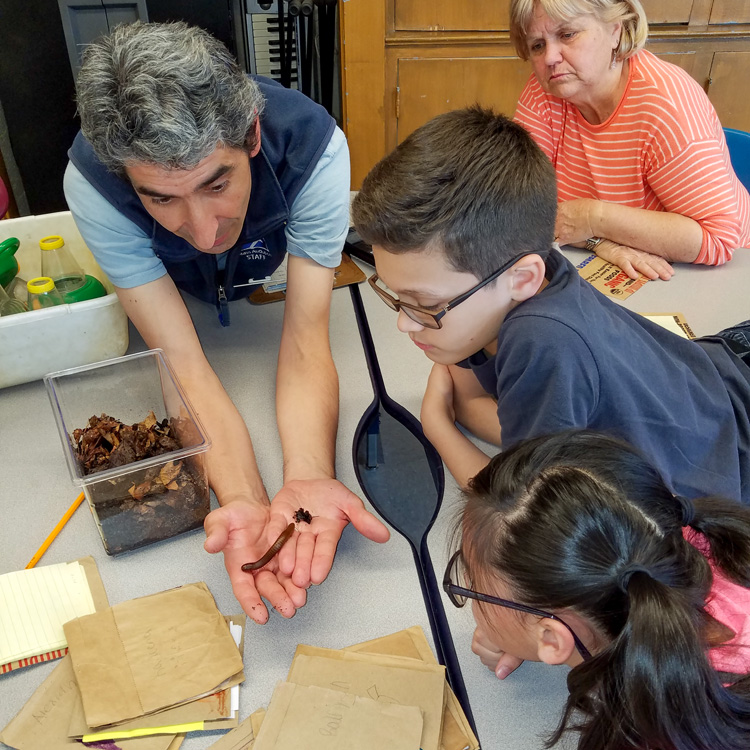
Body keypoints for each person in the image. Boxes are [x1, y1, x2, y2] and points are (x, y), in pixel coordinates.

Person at [64, 21, 389, 624]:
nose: (206, 229)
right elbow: (181, 362)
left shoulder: (316, 152)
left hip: (261, 291)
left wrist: (310, 476)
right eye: (161, 199)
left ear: (253, 137)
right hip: (177, 300)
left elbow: (304, 340)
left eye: (218, 183)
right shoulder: (93, 184)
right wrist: (240, 497)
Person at [351, 106, 750, 503]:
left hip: (729, 449)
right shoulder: (510, 283)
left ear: (522, 278)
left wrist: (437, 425)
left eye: (423, 303)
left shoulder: (541, 340)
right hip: (715, 378)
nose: (405, 323)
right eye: (398, 298)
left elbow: (523, 515)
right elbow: (490, 412)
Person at [445, 430, 750, 750]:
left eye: (474, 587)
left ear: (551, 638)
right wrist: (514, 623)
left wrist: (516, 626)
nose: (468, 586)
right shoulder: (671, 542)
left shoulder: (664, 732)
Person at [510, 0, 750, 281]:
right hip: (612, 264)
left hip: (714, 275)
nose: (550, 57)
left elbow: (718, 239)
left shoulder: (665, 106)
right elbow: (515, 206)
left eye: (567, 35)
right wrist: (599, 242)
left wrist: (592, 217)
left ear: (615, 29)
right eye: (537, 45)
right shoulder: (545, 93)